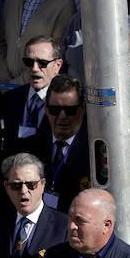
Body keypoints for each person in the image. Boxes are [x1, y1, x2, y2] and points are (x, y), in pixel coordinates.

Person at [29, 73, 89, 212]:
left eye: (70, 110)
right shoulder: (32, 146)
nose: (62, 116)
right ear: (46, 108)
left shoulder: (94, 151)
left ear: (83, 108)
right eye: (55, 109)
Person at [0, 0, 72, 82]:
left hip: (40, 89)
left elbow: (57, 56)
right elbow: (0, 42)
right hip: (7, 86)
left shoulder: (64, 2)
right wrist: (5, 79)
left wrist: (17, 83)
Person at [2, 36, 60, 146]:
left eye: (42, 63)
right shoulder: (11, 98)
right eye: (29, 62)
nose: (34, 68)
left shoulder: (65, 104)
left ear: (57, 66)